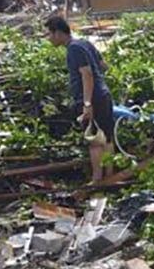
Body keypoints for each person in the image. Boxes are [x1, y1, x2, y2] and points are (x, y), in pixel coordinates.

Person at [45, 16, 115, 183]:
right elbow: (103, 66)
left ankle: (97, 180)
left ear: (58, 33)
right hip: (103, 95)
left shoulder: (74, 49)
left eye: (48, 34)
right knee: (106, 137)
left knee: (93, 140)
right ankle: (110, 176)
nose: (47, 38)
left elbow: (87, 74)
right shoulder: (85, 43)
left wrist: (87, 103)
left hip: (93, 99)